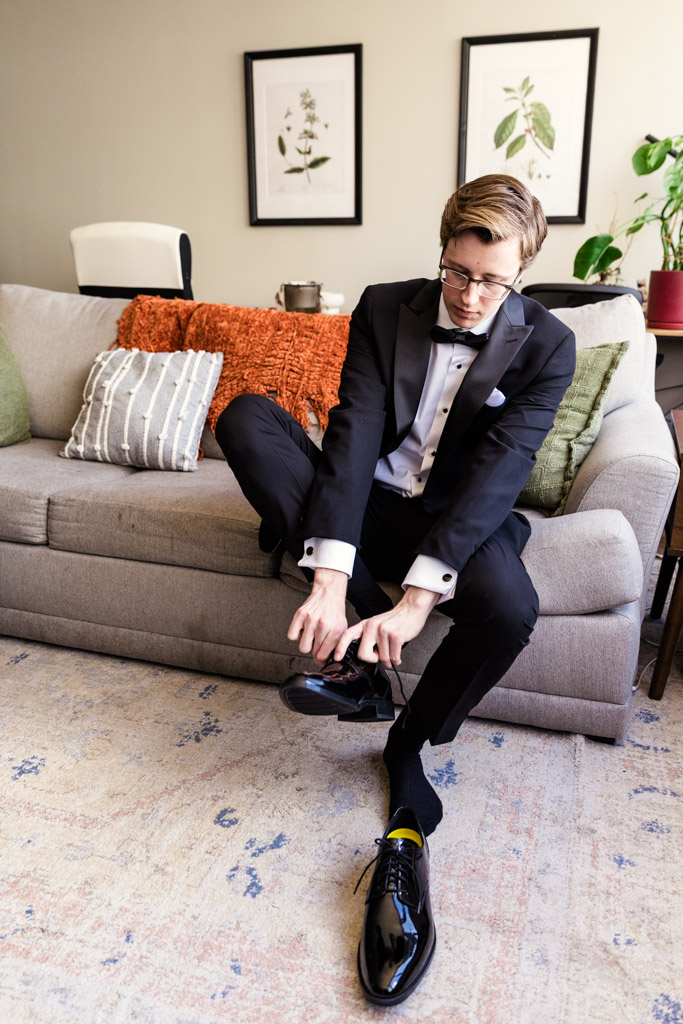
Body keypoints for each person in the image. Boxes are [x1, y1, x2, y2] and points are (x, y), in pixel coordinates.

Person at [215, 174, 576, 1006]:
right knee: (247, 417)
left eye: (492, 279)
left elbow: (500, 471)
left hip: (452, 516)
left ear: (521, 271)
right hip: (370, 499)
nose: (471, 294)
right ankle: (353, 658)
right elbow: (352, 431)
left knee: (507, 607)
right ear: (442, 251)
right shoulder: (385, 306)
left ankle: (407, 736)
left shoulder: (548, 345)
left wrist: (415, 601)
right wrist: (331, 575)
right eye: (458, 272)